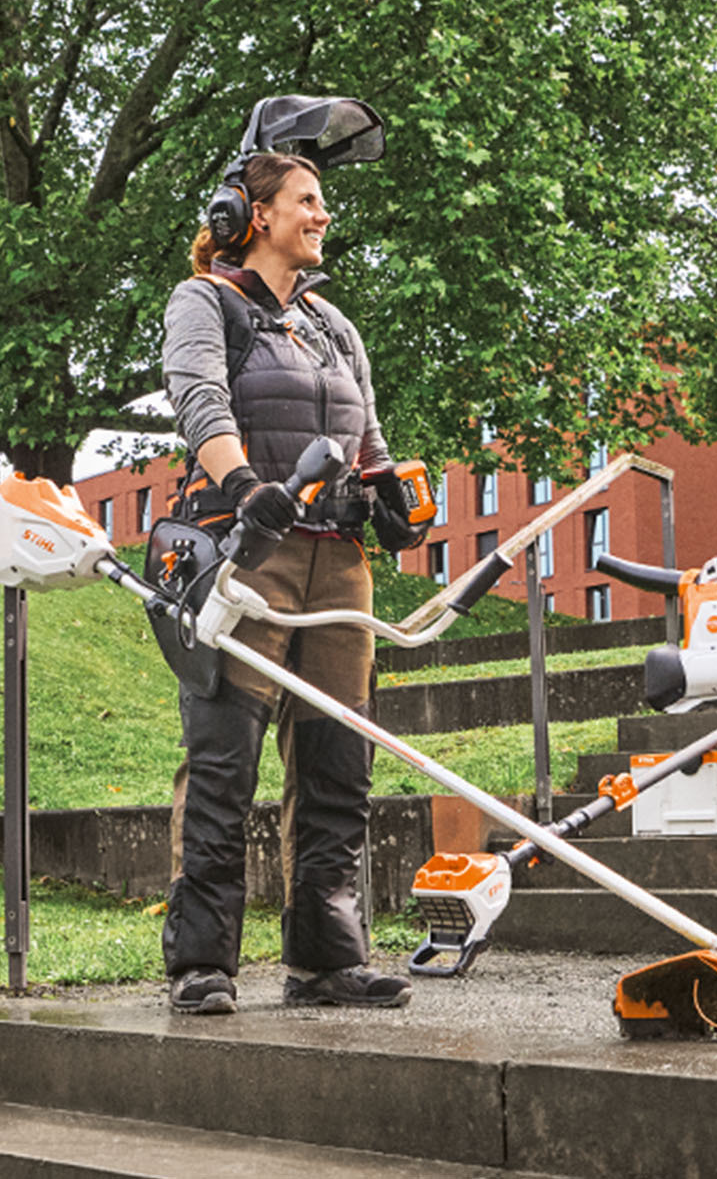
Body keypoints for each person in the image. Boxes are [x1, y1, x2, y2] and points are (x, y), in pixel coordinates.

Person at [151, 119, 431, 1015]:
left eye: (321, 201)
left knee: (337, 763)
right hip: (247, 551)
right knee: (224, 760)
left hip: (337, 562)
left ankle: (326, 960)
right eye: (306, 200)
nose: (323, 214)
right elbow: (199, 397)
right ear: (255, 215)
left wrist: (392, 498)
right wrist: (245, 485)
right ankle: (202, 963)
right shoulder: (207, 302)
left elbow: (367, 434)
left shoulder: (332, 326)